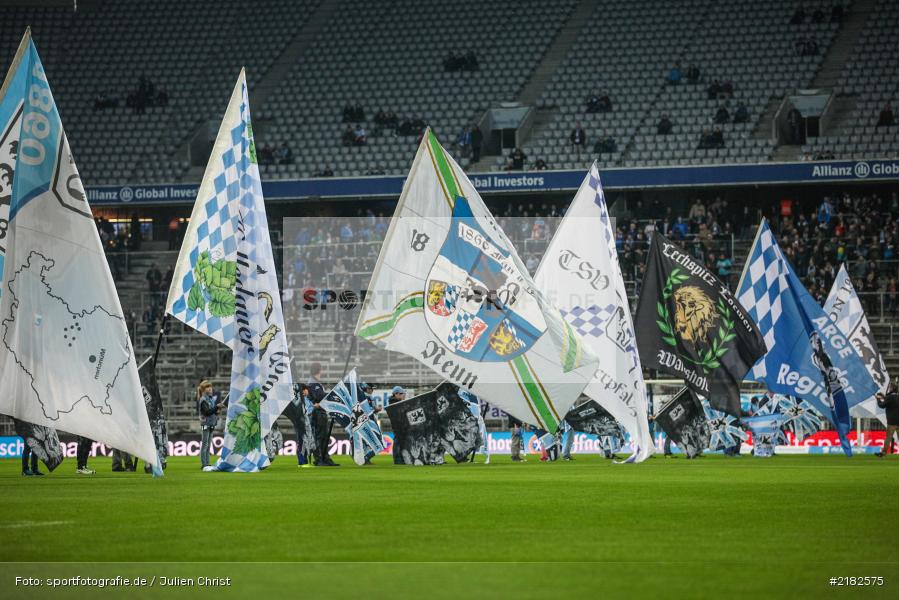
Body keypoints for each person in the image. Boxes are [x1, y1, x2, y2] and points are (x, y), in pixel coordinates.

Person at [309, 362, 338, 466]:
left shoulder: (316, 382)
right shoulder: (313, 383)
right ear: (319, 370)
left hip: (321, 411)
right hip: (317, 413)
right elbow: (319, 396)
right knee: (320, 436)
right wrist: (332, 394)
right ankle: (319, 459)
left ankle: (325, 458)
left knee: (324, 436)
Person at [197, 380, 224, 469]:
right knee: (205, 444)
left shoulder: (210, 398)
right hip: (206, 423)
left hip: (211, 423)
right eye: (208, 387)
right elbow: (207, 412)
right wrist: (216, 407)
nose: (210, 388)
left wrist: (217, 410)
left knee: (208, 444)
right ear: (204, 389)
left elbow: (212, 412)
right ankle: (204, 464)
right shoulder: (203, 399)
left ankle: (207, 463)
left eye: (210, 387)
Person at [876, 381, 899, 456]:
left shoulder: (889, 398)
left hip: (891, 422)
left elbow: (882, 405)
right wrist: (884, 397)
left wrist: (878, 399)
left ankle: (884, 452)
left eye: (890, 388)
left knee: (888, 438)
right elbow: (893, 399)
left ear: (892, 389)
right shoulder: (894, 397)